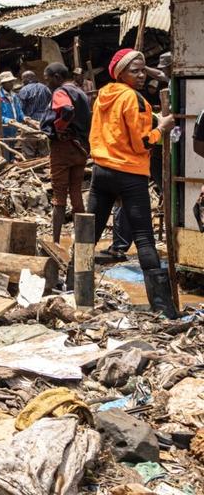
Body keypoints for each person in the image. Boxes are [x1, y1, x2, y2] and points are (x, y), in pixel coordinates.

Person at [88, 48, 177, 317]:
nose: (140, 75)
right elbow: (142, 143)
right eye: (134, 70)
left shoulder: (104, 94)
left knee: (88, 234)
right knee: (145, 240)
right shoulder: (134, 98)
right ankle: (163, 308)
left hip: (101, 170)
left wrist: (153, 121)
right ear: (121, 73)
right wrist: (163, 127)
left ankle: (73, 289)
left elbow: (116, 127)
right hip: (129, 173)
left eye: (142, 69)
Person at [41, 63, 91, 243]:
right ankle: (83, 240)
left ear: (56, 77)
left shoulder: (60, 92)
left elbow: (67, 110)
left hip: (63, 148)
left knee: (59, 195)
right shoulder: (81, 92)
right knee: (76, 193)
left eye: (47, 80)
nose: (47, 84)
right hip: (81, 148)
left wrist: (59, 127)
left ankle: (55, 241)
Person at [0, 71, 26, 157]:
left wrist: (24, 117)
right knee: (3, 157)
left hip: (13, 131)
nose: (12, 83)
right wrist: (6, 120)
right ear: (3, 84)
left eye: (12, 81)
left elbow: (19, 111)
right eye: (9, 82)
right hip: (2, 132)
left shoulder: (14, 96)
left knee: (11, 155)